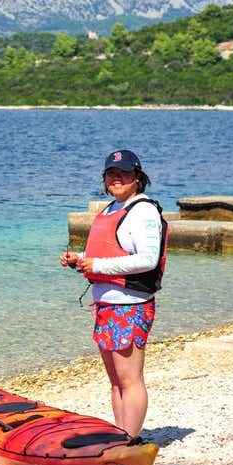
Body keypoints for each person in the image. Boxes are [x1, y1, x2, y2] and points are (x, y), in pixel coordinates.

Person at [61, 150, 168, 437]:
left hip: (130, 304)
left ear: (138, 177)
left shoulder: (142, 210)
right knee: (116, 381)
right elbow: (111, 251)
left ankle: (130, 442)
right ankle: (122, 436)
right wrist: (82, 259)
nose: (116, 178)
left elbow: (148, 259)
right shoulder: (110, 209)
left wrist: (98, 264)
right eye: (111, 173)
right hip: (106, 303)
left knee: (130, 379)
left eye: (124, 173)